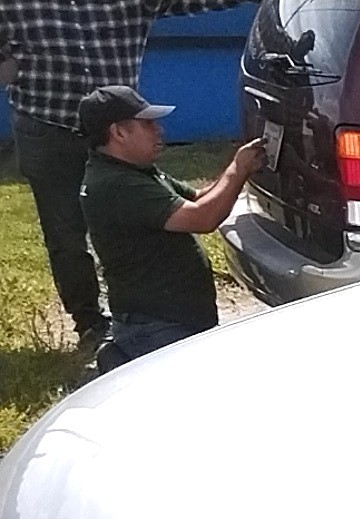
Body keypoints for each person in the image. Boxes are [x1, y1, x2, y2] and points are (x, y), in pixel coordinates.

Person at [0, 1, 253, 355]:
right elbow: (201, 217)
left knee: (141, 213)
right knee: (65, 234)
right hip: (47, 124)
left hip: (120, 133)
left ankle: (138, 318)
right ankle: (92, 324)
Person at [78, 86, 264, 366]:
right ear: (119, 133)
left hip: (168, 320)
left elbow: (198, 198)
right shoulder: (116, 183)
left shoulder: (132, 170)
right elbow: (202, 218)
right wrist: (238, 169)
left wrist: (239, 172)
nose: (159, 130)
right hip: (156, 326)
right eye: (148, 124)